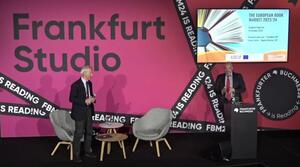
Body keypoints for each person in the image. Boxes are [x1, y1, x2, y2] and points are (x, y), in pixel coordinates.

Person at [69, 65, 96, 163]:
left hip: (89, 111)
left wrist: (93, 99)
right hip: (79, 112)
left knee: (89, 132)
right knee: (79, 133)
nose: (92, 74)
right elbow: (72, 99)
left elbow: (90, 95)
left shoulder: (90, 83)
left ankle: (88, 151)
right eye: (90, 73)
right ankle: (76, 155)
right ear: (84, 73)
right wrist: (85, 101)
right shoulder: (75, 84)